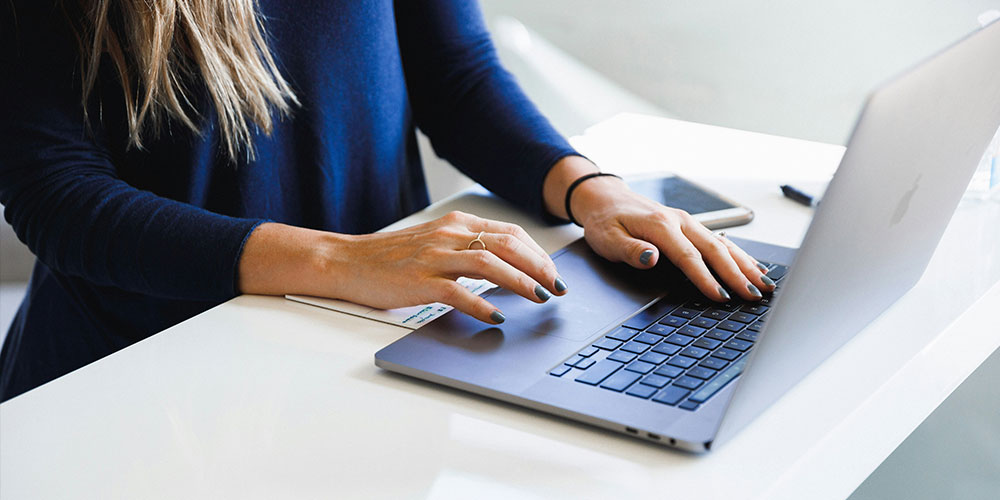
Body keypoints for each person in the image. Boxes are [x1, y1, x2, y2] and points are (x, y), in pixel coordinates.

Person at [0, 0, 773, 402]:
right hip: (143, 372)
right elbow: (53, 192)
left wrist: (590, 191)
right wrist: (340, 259)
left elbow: (455, 73)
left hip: (364, 341)